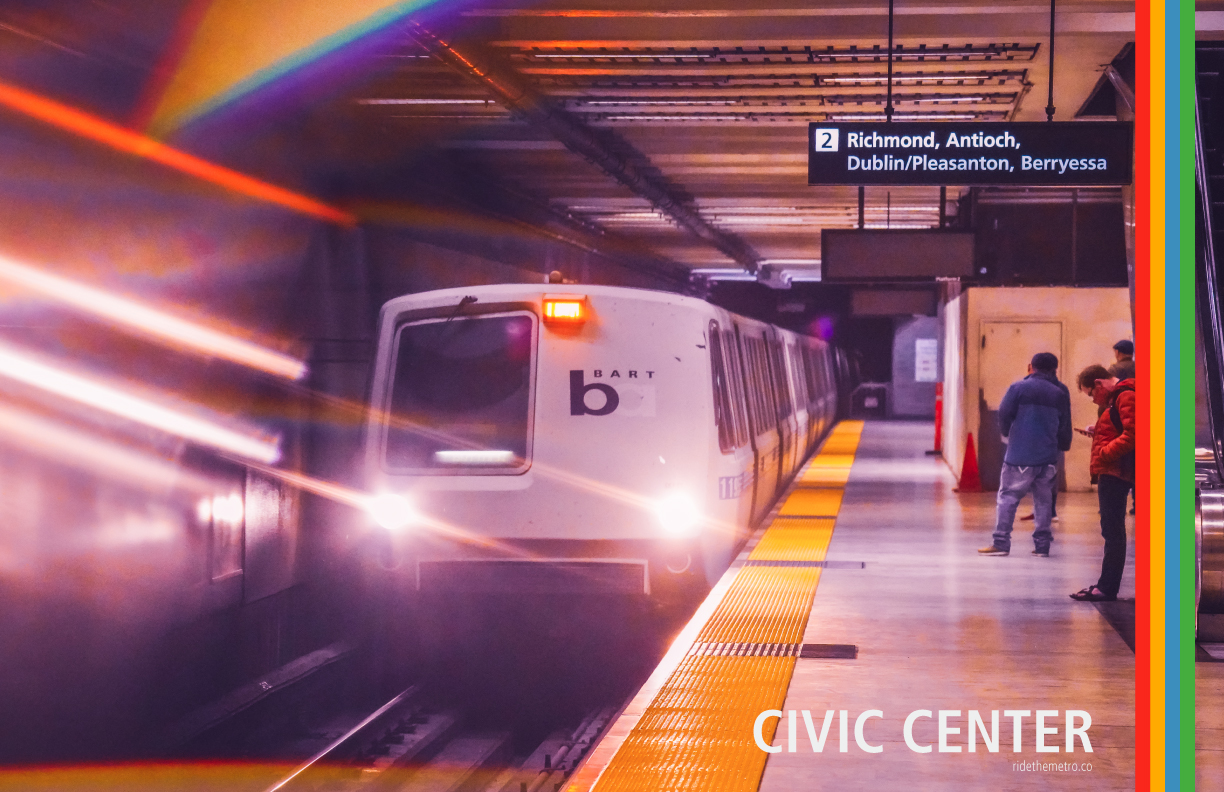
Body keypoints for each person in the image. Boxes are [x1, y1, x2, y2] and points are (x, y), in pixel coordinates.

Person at [978, 352, 1072, 557]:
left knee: (1008, 497)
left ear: (1031, 367)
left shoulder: (1019, 388)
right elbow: (1065, 424)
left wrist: (1007, 433)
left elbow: (1004, 413)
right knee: (1044, 500)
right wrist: (1062, 446)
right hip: (1048, 455)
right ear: (1054, 369)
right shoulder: (1060, 392)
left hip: (1019, 454)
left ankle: (1001, 543)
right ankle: (1042, 546)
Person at [1070, 364, 1136, 602]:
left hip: (1116, 471)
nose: (1093, 400)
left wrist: (1104, 453)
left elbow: (1134, 433)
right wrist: (1098, 431)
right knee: (1112, 530)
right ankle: (1105, 585)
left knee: (1112, 531)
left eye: (1091, 394)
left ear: (1099, 383)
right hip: (1115, 469)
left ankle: (1106, 587)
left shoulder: (1124, 394)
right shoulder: (1118, 398)